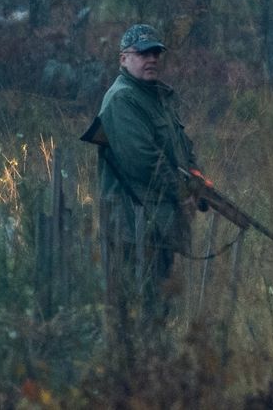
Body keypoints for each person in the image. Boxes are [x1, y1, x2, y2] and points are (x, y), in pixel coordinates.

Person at [92, 23, 200, 329]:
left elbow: (181, 149)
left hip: (158, 222)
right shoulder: (122, 100)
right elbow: (144, 161)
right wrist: (182, 192)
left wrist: (195, 181)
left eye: (155, 52)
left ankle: (152, 370)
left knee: (158, 310)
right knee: (140, 311)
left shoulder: (155, 97)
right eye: (142, 53)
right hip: (133, 224)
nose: (150, 58)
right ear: (124, 59)